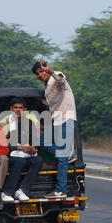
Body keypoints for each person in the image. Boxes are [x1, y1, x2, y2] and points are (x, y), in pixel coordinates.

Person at [32, 61, 77, 198]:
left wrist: (50, 70)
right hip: (56, 119)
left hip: (66, 117)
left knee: (62, 158)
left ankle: (60, 190)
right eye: (37, 74)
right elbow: (51, 101)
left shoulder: (56, 77)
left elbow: (62, 81)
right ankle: (68, 153)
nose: (40, 74)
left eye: (42, 71)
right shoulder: (46, 87)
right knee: (40, 143)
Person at [0, 98, 43, 202]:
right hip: (9, 154)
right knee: (20, 161)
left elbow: (35, 142)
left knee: (38, 160)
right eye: (15, 107)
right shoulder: (4, 123)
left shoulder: (29, 123)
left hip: (25, 153)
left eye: (20, 108)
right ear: (11, 109)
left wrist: (33, 149)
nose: (18, 110)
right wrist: (16, 147)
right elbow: (2, 144)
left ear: (25, 110)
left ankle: (23, 190)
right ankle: (6, 192)